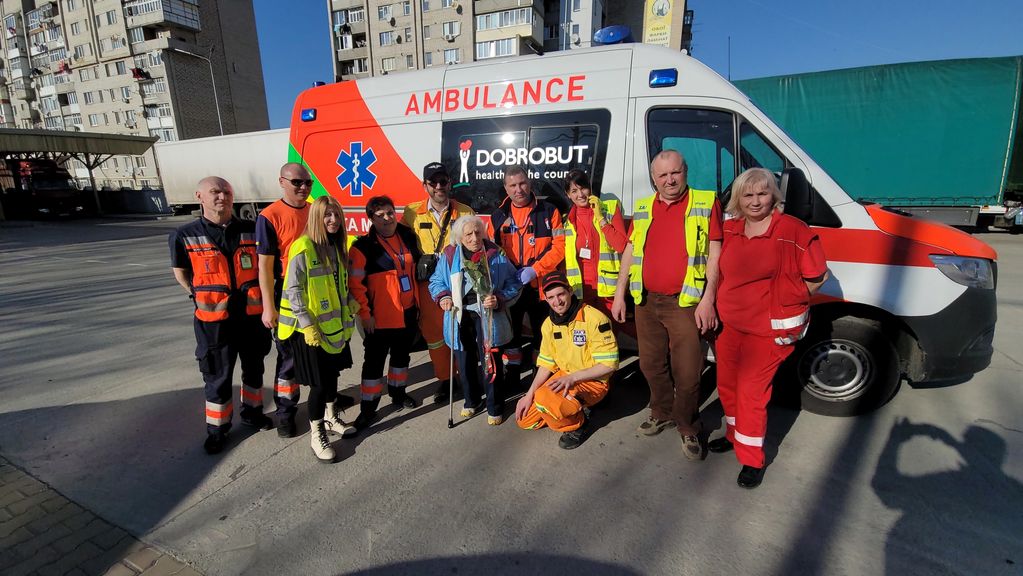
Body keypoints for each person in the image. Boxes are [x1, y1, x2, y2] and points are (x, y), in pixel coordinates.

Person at [708, 167, 827, 488]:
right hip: (730, 326)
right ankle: (735, 435)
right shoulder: (730, 229)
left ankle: (752, 459)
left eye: (762, 193)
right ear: (738, 199)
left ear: (774, 195)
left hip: (768, 330)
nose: (756, 200)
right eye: (748, 194)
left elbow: (818, 276)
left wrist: (792, 297)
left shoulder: (792, 230)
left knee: (750, 393)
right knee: (728, 386)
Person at [611, 149, 723, 461]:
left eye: (675, 172)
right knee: (650, 364)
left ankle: (688, 425)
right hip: (645, 301)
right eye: (662, 175)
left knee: (687, 372)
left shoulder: (704, 202)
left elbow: (715, 252)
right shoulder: (645, 206)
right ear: (653, 179)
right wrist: (620, 293)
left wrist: (709, 299)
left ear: (685, 172)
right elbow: (631, 251)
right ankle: (661, 411)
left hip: (685, 302)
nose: (669, 180)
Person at [169, 177, 272, 455]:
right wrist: (200, 293)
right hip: (213, 321)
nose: (222, 197)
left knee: (254, 368)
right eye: (215, 192)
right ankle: (218, 429)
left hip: (251, 316)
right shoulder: (184, 234)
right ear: (199, 196)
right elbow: (180, 272)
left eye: (226, 191)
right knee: (217, 376)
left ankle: (252, 412)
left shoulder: (252, 229)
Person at [278, 196, 360, 462]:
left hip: (333, 328)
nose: (333, 220)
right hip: (308, 332)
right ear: (316, 218)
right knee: (319, 384)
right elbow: (292, 290)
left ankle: (331, 417)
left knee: (332, 376)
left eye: (336, 215)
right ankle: (317, 434)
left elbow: (338, 285)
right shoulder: (303, 247)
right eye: (327, 216)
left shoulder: (336, 248)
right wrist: (307, 324)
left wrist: (349, 300)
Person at [430, 215, 522, 425]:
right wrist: (443, 296)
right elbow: (436, 281)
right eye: (468, 234)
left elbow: (514, 281)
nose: (474, 238)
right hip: (460, 314)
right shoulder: (450, 255)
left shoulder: (495, 253)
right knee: (465, 361)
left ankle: (494, 405)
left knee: (491, 361)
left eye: (477, 233)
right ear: (459, 238)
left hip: (487, 316)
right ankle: (471, 401)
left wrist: (499, 298)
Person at [515, 271, 619, 449]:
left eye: (561, 294)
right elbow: (546, 364)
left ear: (570, 291)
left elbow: (609, 365)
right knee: (525, 420)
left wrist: (572, 379)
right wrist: (528, 395)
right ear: (545, 299)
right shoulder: (548, 324)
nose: (557, 301)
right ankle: (566, 408)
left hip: (592, 381)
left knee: (544, 398)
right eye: (551, 297)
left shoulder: (594, 318)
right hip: (565, 376)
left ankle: (579, 423)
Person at [402, 162, 475, 404]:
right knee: (435, 335)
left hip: (460, 282)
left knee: (462, 330)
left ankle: (466, 376)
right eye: (433, 182)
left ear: (449, 183)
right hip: (429, 286)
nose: (439, 186)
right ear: (425, 186)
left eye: (443, 181)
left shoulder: (465, 212)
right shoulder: (411, 213)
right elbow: (396, 242)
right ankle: (446, 379)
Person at [349, 195, 423, 430]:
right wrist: (365, 315)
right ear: (370, 219)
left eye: (390, 212)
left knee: (401, 360)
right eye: (379, 215)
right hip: (379, 319)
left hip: (408, 312)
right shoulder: (362, 247)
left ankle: (398, 395)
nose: (386, 218)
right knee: (373, 365)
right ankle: (368, 409)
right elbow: (355, 286)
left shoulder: (408, 236)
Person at [491, 165, 566, 388]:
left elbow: (560, 247)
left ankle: (538, 374)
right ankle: (512, 373)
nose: (518, 189)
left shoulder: (549, 211)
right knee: (511, 334)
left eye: (522, 183)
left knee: (541, 332)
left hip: (540, 285)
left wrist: (536, 269)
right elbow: (491, 250)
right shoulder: (498, 216)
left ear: (530, 183)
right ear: (505, 188)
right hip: (510, 286)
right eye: (512, 185)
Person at [256, 162, 314, 438]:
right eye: (297, 183)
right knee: (288, 357)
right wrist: (268, 306)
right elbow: (264, 267)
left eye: (307, 183)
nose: (303, 187)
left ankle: (324, 401)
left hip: (315, 291)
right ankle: (285, 413)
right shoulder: (270, 216)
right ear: (282, 182)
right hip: (286, 296)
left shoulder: (315, 212)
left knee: (318, 350)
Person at [561, 169, 629, 315]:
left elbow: (621, 246)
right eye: (574, 191)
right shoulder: (567, 221)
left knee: (608, 334)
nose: (580, 195)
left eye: (583, 188)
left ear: (590, 187)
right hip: (581, 291)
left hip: (608, 290)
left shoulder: (609, 208)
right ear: (568, 195)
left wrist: (600, 218)